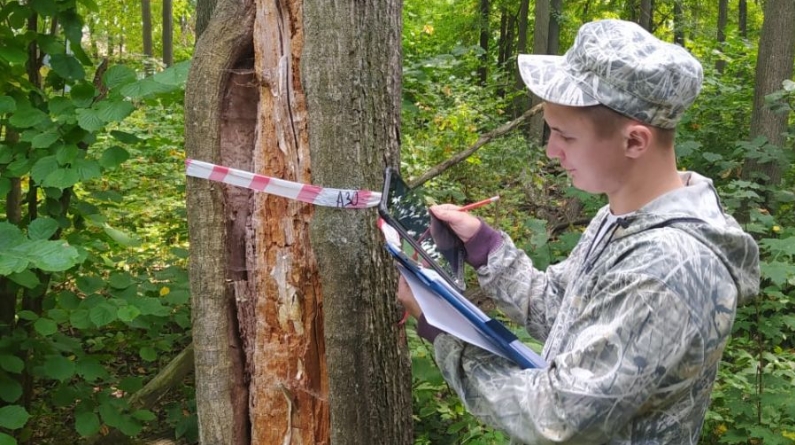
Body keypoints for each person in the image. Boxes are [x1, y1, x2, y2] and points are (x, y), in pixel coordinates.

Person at [397, 19, 760, 444]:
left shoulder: (664, 270)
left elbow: (557, 417)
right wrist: (484, 245)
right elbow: (560, 311)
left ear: (635, 142)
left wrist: (442, 333)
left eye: (565, 136)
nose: (552, 151)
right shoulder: (623, 217)